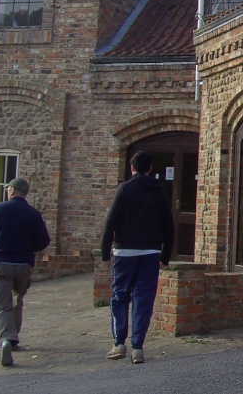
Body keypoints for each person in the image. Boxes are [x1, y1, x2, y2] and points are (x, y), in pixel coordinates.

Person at [100, 151, 174, 365]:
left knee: (120, 296)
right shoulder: (159, 191)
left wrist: (105, 251)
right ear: (150, 169)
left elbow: (111, 221)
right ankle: (137, 347)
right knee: (144, 298)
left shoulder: (125, 189)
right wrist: (166, 255)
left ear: (132, 168)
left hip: (125, 251)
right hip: (151, 252)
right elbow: (168, 226)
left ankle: (119, 342)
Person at [0, 177, 51, 367]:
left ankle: (6, 339)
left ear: (12, 191)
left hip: (1, 263)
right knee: (17, 298)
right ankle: (13, 339)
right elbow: (43, 241)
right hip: (24, 264)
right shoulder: (33, 214)